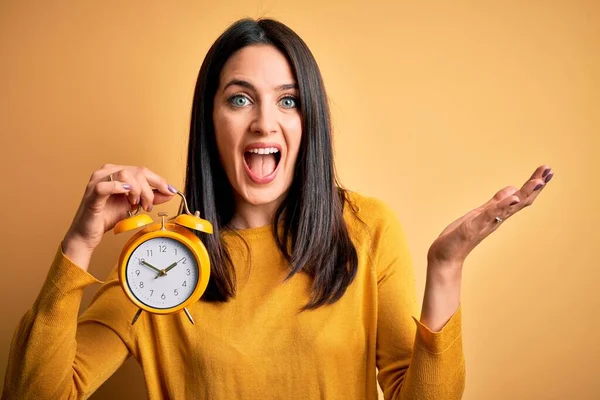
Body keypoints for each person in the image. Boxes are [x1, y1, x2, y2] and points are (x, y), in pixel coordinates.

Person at [2, 18, 553, 400]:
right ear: (210, 121)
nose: (265, 122)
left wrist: (447, 267)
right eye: (239, 98)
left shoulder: (366, 229)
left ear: (308, 121)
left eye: (287, 100)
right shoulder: (161, 262)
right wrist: (79, 243)